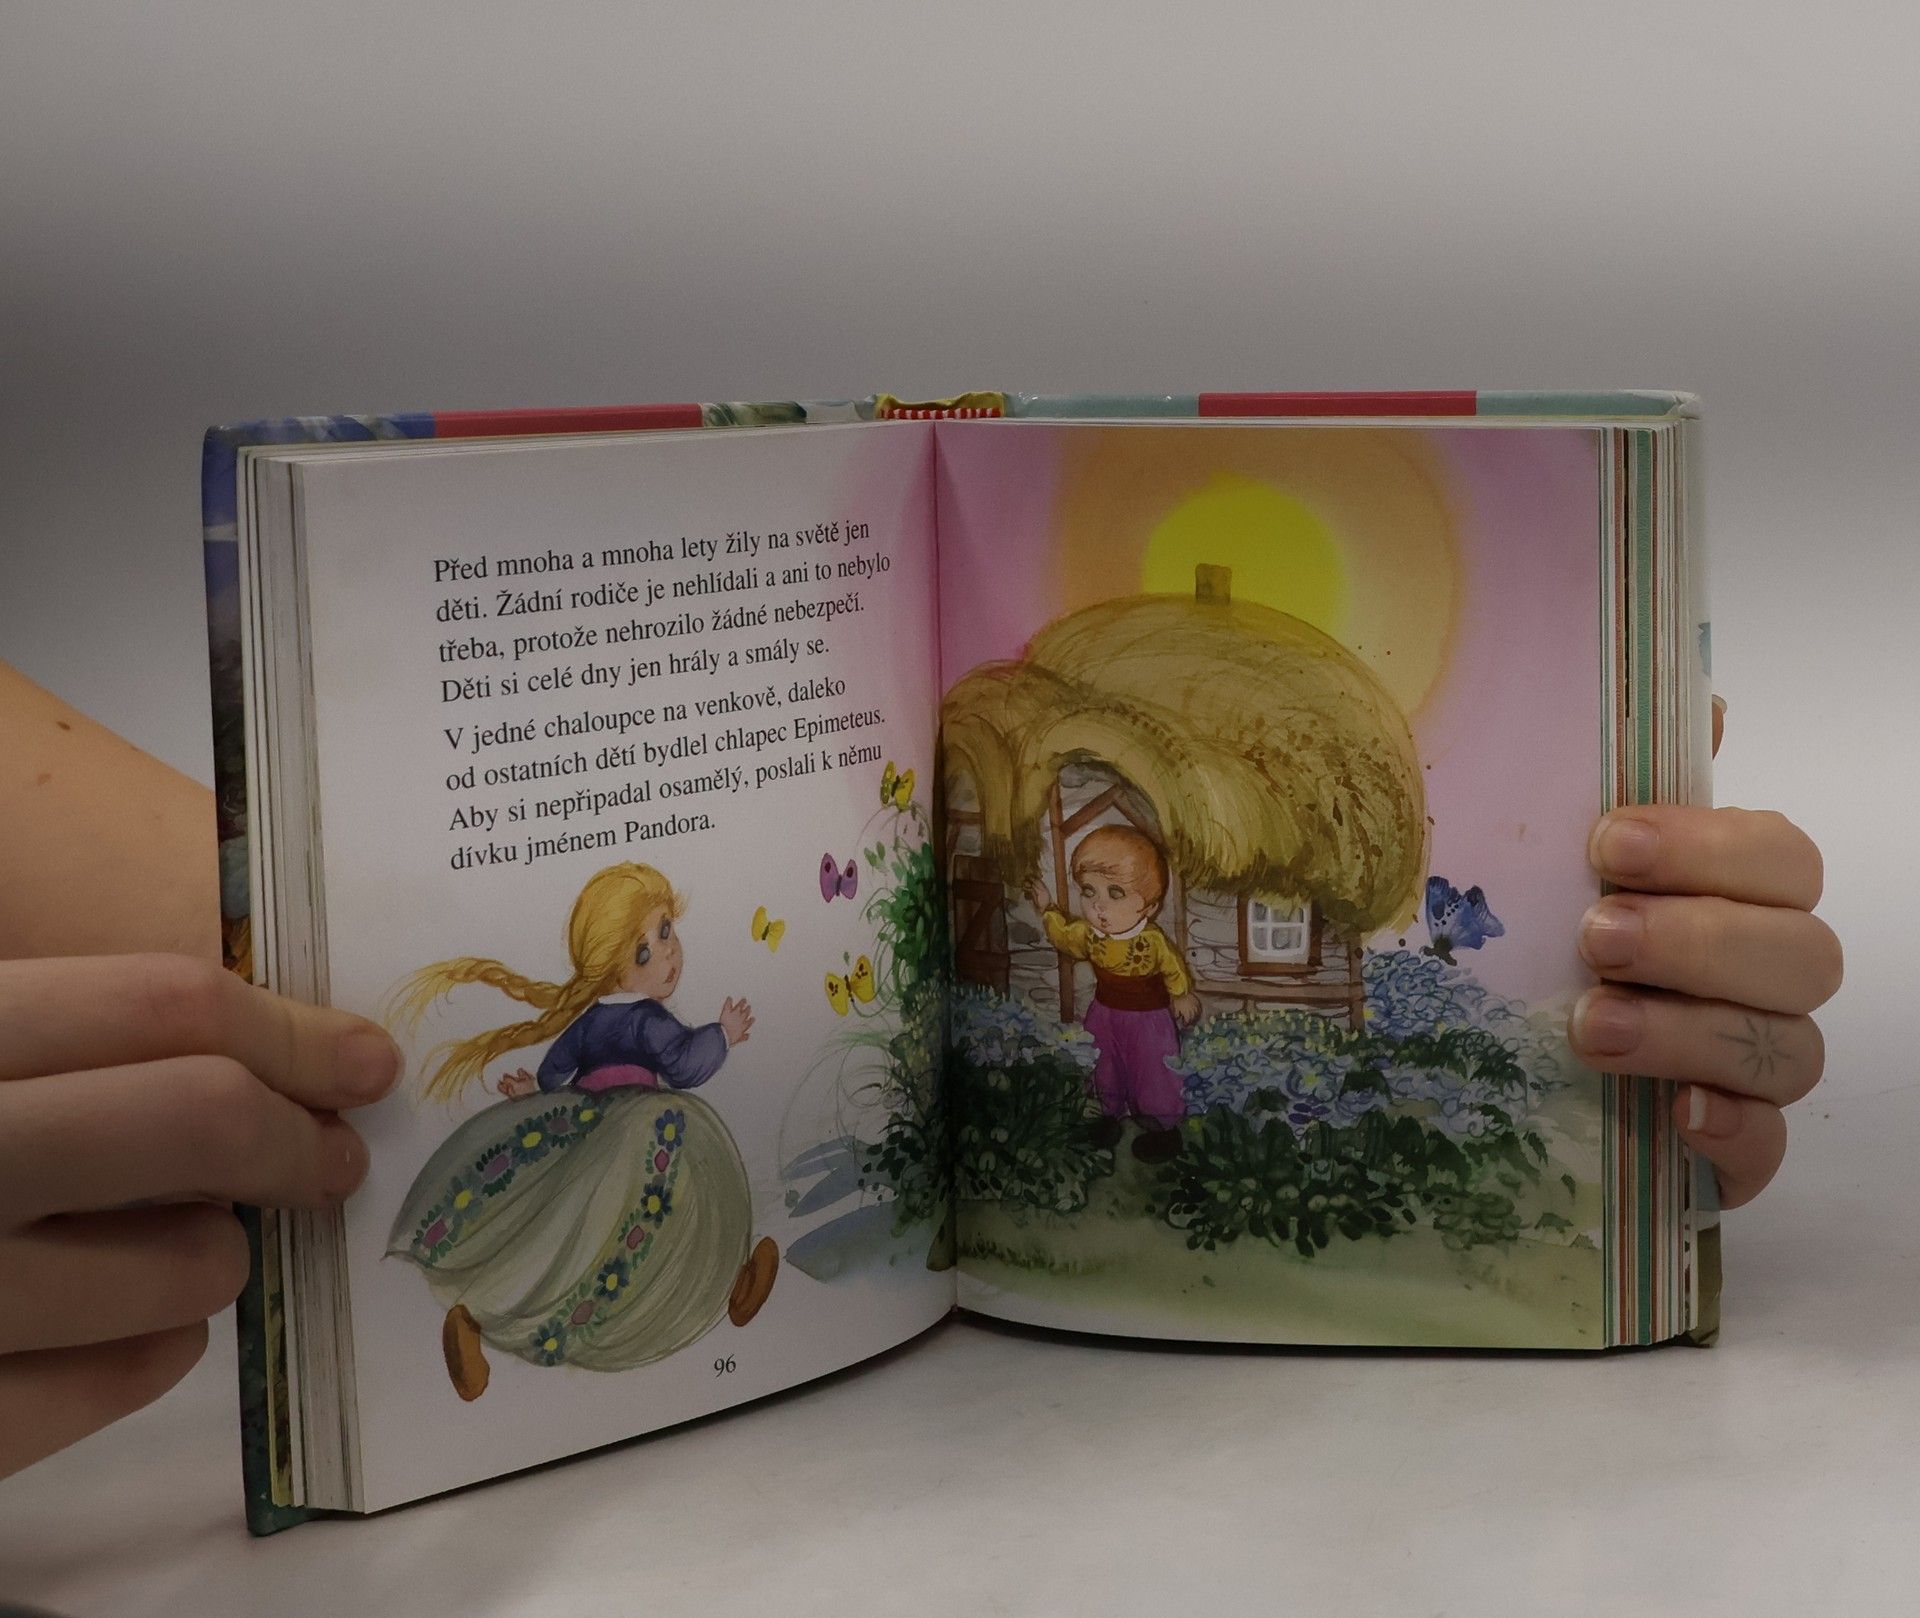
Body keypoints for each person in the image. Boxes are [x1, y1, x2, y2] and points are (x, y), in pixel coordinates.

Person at [0, 667, 1841, 1476]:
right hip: (689, 1124)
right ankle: (524, 1310)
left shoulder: (1147, 936)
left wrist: (1571, 983)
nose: (667, 966)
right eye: (655, 947)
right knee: (605, 1213)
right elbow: (629, 1045)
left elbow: (280, 1008)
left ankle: (647, 1287)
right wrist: (703, 1043)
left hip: (1123, 1042)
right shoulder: (646, 1019)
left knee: (1131, 1092)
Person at [384, 861, 779, 1401]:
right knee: (674, 1210)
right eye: (644, 952)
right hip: (646, 1127)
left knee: (559, 1225)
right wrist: (723, 1034)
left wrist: (538, 1095)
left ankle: (481, 1318)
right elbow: (685, 1066)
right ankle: (730, 1282)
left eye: (665, 931)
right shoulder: (648, 1020)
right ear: (614, 972)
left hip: (584, 1122)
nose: (667, 953)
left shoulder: (590, 1021)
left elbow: (554, 1071)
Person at [1028, 822, 1201, 1163]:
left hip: (1148, 1020)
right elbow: (1065, 937)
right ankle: (1107, 1118)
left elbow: (1173, 967)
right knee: (1104, 1065)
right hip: (1104, 1014)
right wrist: (1047, 909)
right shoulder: (1089, 934)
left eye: (1115, 893)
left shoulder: (1151, 940)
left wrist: (1181, 994)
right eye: (1089, 892)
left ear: (1149, 906)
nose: (1099, 907)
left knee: (1152, 1070)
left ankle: (1162, 1130)